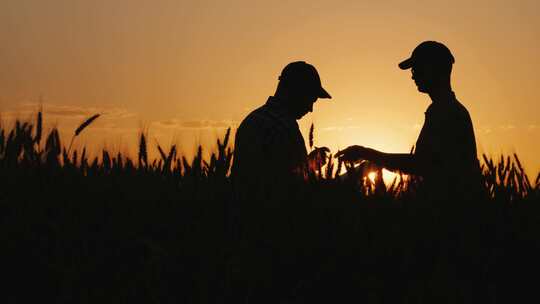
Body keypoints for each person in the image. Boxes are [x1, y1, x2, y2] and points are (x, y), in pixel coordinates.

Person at [337, 41, 481, 196]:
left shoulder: (447, 112)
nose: (413, 75)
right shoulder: (445, 109)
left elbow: (422, 164)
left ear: (433, 68)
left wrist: (367, 153)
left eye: (417, 68)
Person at [231, 61, 332, 197]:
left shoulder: (252, 119)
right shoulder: (284, 127)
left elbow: (270, 171)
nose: (310, 108)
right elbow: (288, 187)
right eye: (310, 99)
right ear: (297, 91)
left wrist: (310, 163)